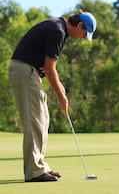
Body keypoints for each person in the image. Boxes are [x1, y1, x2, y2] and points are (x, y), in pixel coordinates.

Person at [8, 11, 97, 182]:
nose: (83, 37)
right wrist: (60, 96)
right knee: (35, 120)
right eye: (85, 33)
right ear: (79, 25)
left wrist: (60, 87)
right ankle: (34, 171)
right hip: (25, 71)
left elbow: (48, 68)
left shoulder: (58, 28)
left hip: (28, 71)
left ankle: (39, 166)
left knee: (42, 119)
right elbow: (49, 69)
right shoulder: (58, 31)